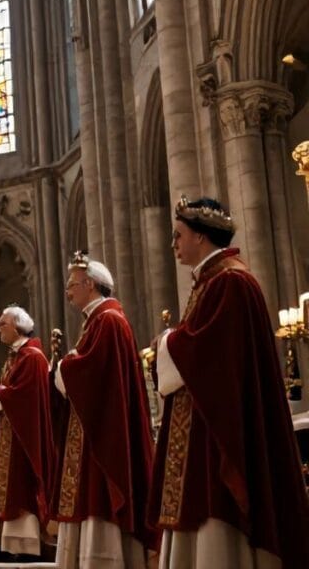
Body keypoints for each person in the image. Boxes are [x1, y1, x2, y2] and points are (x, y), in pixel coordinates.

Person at [149, 196, 309, 568]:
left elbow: (211, 356)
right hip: (202, 427)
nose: (174, 243)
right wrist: (175, 341)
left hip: (216, 433)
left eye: (179, 235)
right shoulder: (212, 281)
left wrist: (169, 342)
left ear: (202, 238)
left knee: (216, 513)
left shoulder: (230, 281)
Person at [52, 253, 157, 568]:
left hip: (105, 435)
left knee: (100, 496)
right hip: (95, 428)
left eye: (72, 285)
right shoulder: (98, 321)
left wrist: (64, 366)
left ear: (90, 284)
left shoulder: (108, 321)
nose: (68, 292)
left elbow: (90, 373)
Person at [0, 306, 55, 562]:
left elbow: (25, 395)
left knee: (19, 487)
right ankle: (1, 542)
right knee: (5, 486)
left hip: (24, 438)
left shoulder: (32, 356)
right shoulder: (16, 356)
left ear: (17, 326)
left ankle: (23, 544)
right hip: (8, 433)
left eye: (3, 323)